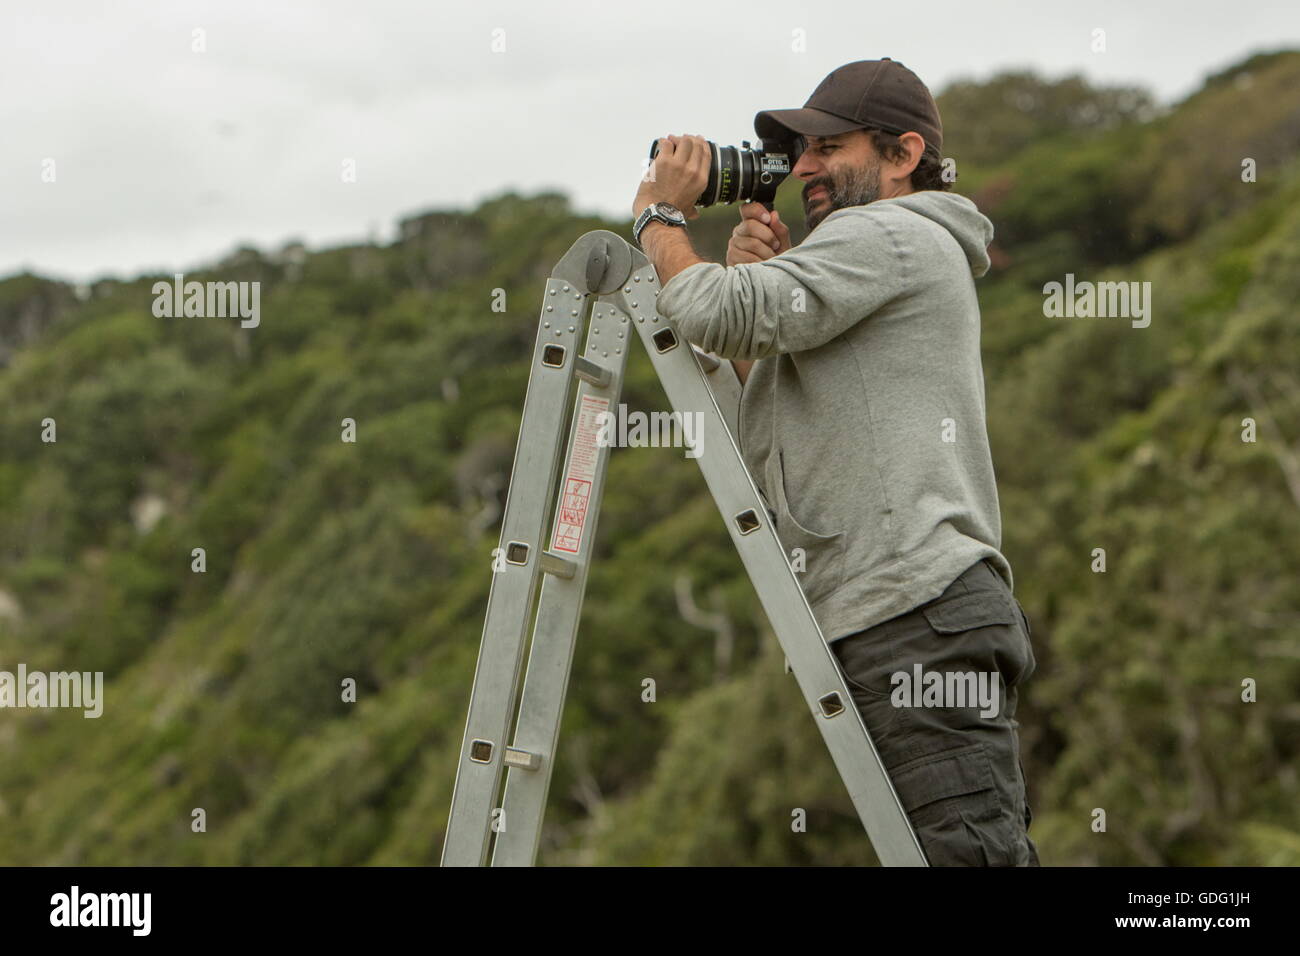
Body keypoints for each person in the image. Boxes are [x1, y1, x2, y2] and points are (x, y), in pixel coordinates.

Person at [630, 58, 1040, 866]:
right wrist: (753, 279)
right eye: (797, 152)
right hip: (910, 611)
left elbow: (717, 312)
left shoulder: (887, 231)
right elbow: (768, 400)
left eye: (828, 148)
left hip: (910, 608)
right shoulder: (882, 256)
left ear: (903, 153)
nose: (806, 168)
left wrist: (659, 216)